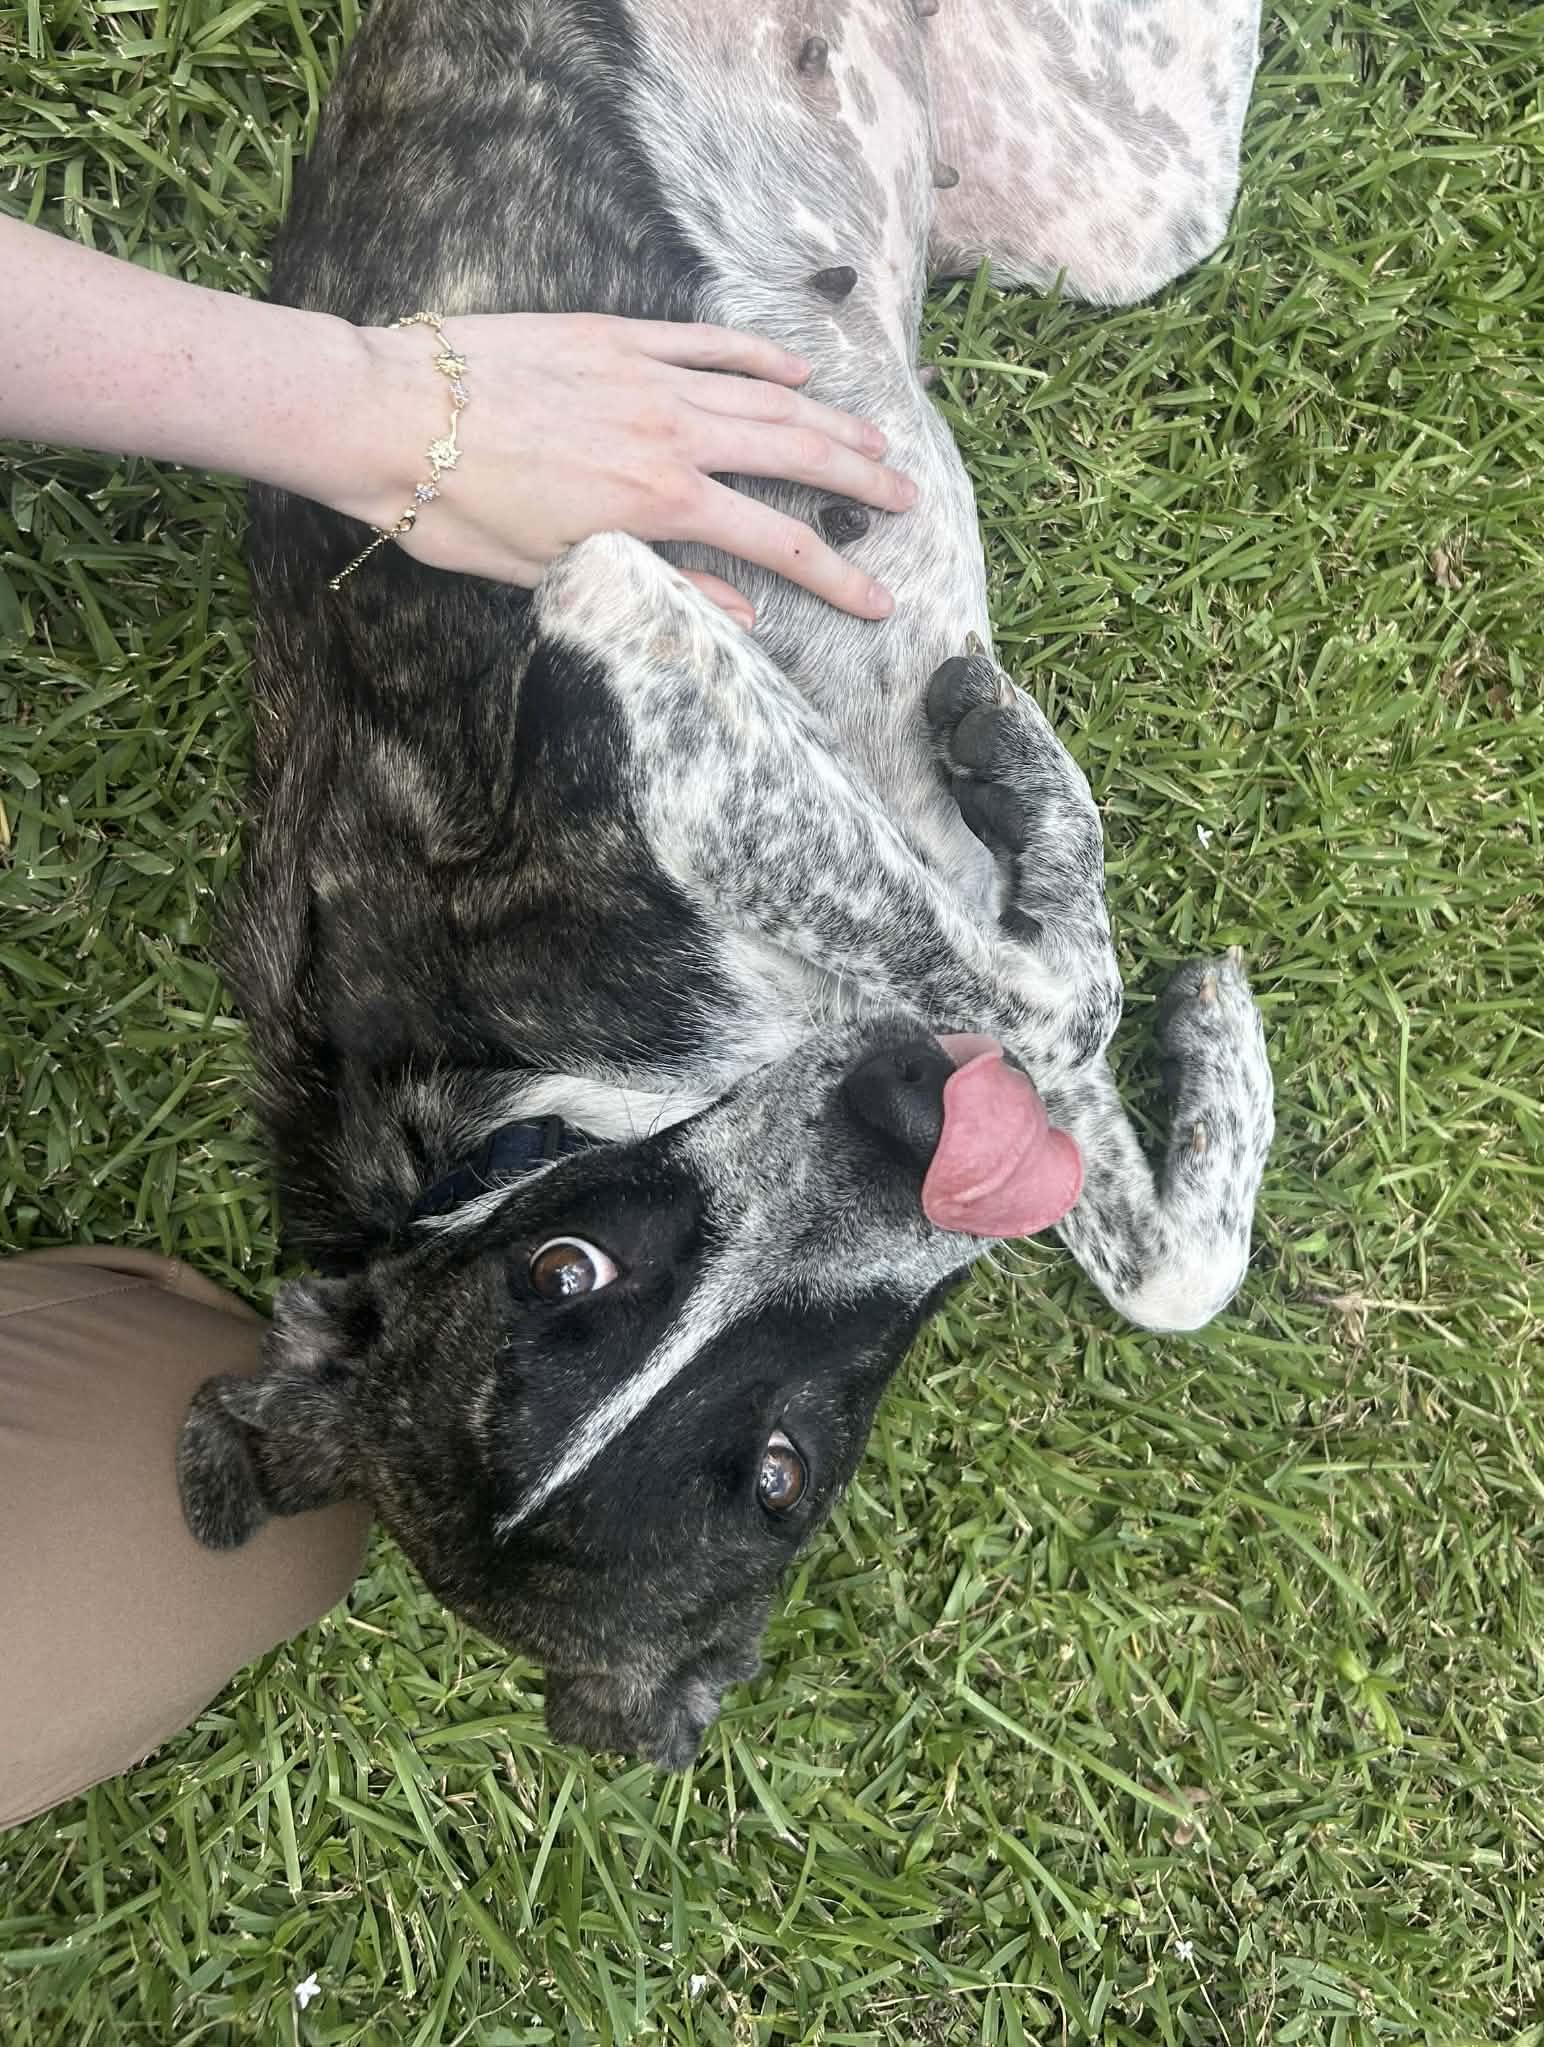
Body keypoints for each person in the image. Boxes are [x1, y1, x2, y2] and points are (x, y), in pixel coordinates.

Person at [0, 216, 915, 1829]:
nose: (872, 1164)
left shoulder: (493, 971)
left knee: (208, 1477)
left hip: (595, 192)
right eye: (771, 1479)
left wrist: (380, 408)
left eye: (568, 1272)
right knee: (251, 1530)